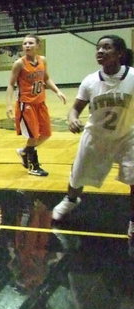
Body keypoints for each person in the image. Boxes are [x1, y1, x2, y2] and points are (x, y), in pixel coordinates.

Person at [51, 35, 134, 248]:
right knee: (77, 176)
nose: (100, 51)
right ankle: (70, 200)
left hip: (127, 136)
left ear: (120, 54)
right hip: (95, 136)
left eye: (107, 47)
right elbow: (75, 108)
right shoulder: (90, 81)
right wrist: (72, 119)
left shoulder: (132, 76)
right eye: (98, 48)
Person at [5, 34, 66, 176]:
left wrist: (57, 91)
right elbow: (10, 84)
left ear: (38, 45)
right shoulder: (19, 64)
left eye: (30, 43)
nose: (27, 46)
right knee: (33, 135)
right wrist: (8, 105)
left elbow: (46, 78)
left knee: (46, 134)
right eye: (25, 43)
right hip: (26, 104)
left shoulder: (42, 60)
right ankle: (34, 166)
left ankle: (24, 151)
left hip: (40, 102)